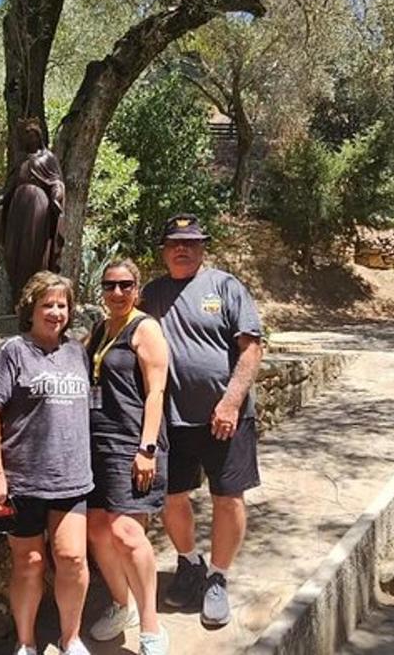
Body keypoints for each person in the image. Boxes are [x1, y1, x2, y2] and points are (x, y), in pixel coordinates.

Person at [139, 214, 264, 629]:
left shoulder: (226, 287)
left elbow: (251, 350)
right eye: (175, 242)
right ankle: (190, 564)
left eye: (191, 243)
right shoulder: (152, 294)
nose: (183, 249)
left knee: (228, 498)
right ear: (164, 249)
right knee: (174, 498)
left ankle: (217, 577)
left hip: (226, 418)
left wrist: (230, 403)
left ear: (202, 247)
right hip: (172, 421)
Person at [0, 271, 93, 655]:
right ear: (31, 308)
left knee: (72, 558)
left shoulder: (78, 352)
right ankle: (26, 642)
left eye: (62, 305)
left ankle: (70, 638)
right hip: (23, 479)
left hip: (72, 477)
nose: (56, 312)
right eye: (48, 304)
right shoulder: (13, 352)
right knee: (28, 562)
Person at [85, 259, 171, 654]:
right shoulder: (101, 329)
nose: (116, 293)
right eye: (109, 285)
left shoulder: (145, 328)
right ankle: (122, 605)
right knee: (97, 528)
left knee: (127, 532)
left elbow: (156, 391)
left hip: (132, 444)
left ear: (137, 289)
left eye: (125, 285)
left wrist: (146, 449)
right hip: (97, 442)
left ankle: (150, 628)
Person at [0, 122, 66, 299]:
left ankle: (34, 290)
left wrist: (57, 194)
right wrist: (0, 200)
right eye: (26, 135)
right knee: (13, 249)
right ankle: (16, 292)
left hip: (37, 206)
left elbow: (56, 181)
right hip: (17, 206)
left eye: (33, 134)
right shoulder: (21, 158)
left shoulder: (48, 158)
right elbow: (11, 185)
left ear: (39, 137)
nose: (30, 138)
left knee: (32, 249)